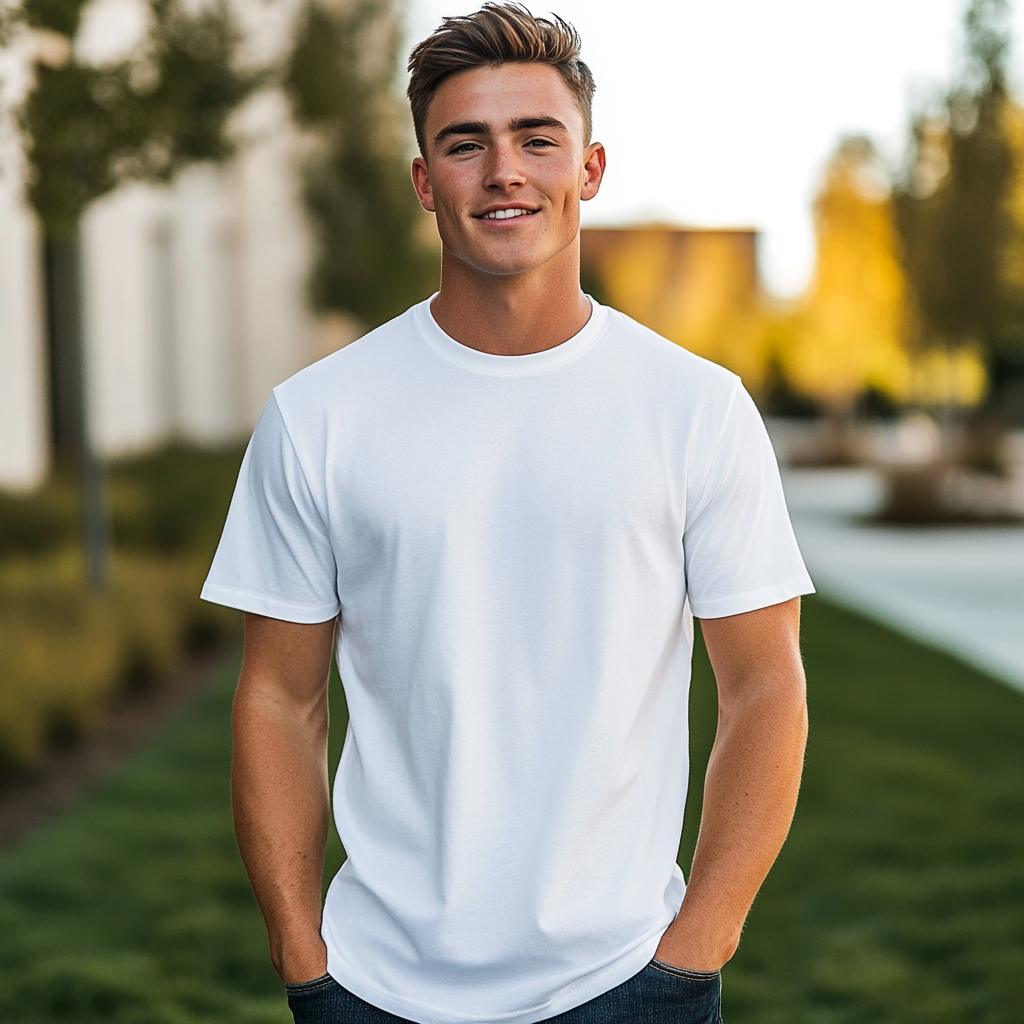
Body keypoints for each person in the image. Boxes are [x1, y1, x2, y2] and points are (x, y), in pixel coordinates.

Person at [201, 4, 814, 1022]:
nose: (504, 172)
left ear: (591, 168)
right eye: (464, 144)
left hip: (626, 980)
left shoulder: (693, 408)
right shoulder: (317, 417)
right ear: (422, 180)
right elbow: (277, 699)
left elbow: (764, 686)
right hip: (371, 984)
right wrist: (301, 953)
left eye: (538, 139)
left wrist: (698, 943)